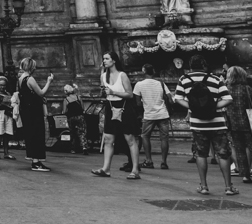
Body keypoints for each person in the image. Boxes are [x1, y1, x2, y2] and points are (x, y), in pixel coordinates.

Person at [174, 54, 236, 196]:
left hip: (197, 124)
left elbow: (177, 98)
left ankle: (203, 186)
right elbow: (228, 99)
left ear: (190, 66)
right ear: (204, 65)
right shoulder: (215, 79)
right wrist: (213, 107)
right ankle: (228, 187)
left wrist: (193, 108)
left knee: (201, 154)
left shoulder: (184, 79)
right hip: (217, 123)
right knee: (223, 155)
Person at [92, 51, 141, 180]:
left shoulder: (122, 75)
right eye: (103, 59)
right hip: (110, 106)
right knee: (108, 139)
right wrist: (104, 93)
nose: (104, 61)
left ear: (114, 61)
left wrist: (114, 92)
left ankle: (135, 170)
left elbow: (130, 94)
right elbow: (104, 93)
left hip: (124, 107)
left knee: (130, 139)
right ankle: (106, 169)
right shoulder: (103, 76)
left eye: (107, 59)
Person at [225, 66, 252, 185]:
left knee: (239, 150)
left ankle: (245, 176)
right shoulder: (247, 89)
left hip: (233, 124)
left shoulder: (227, 89)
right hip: (250, 123)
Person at [17, 57, 52, 172]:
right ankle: (36, 161)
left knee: (31, 134)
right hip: (33, 111)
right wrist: (49, 82)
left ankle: (33, 158)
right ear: (31, 67)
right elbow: (41, 93)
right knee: (38, 134)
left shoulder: (20, 78)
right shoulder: (29, 79)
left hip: (26, 110)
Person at [134, 64, 171, 170]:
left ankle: (149, 160)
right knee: (164, 138)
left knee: (145, 136)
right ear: (153, 71)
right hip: (163, 114)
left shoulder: (139, 85)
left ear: (143, 71)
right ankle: (164, 162)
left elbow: (137, 103)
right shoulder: (161, 83)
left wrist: (146, 102)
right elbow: (170, 99)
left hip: (149, 114)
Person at [63, 83, 88, 155]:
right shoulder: (78, 97)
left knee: (73, 133)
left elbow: (64, 111)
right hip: (80, 116)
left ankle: (73, 148)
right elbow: (82, 108)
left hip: (71, 117)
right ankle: (84, 147)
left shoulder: (66, 100)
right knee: (82, 132)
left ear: (66, 91)